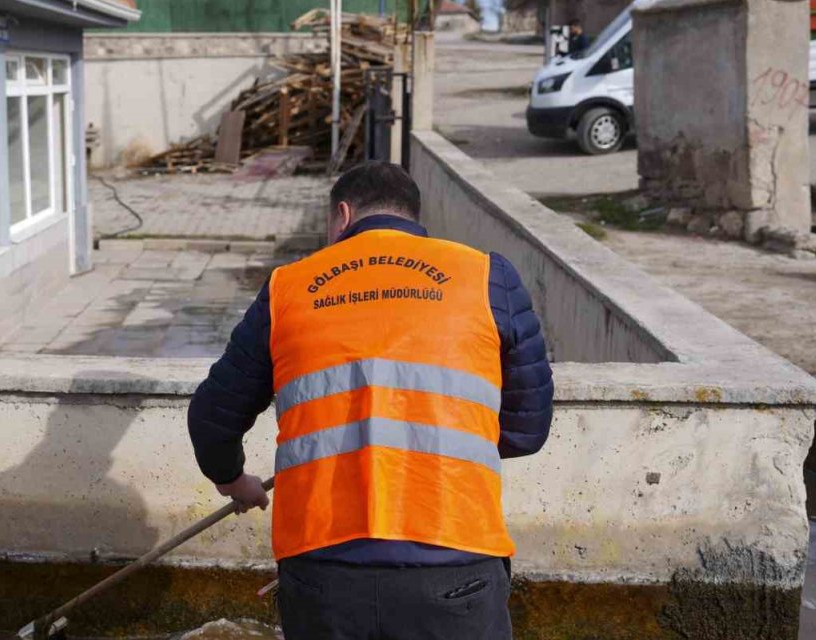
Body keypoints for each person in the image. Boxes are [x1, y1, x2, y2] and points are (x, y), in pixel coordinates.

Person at [187, 162, 553, 639]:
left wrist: (234, 480)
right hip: (454, 560)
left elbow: (213, 420)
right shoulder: (487, 276)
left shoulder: (289, 287)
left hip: (325, 568)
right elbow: (528, 428)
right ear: (413, 217)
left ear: (342, 215)